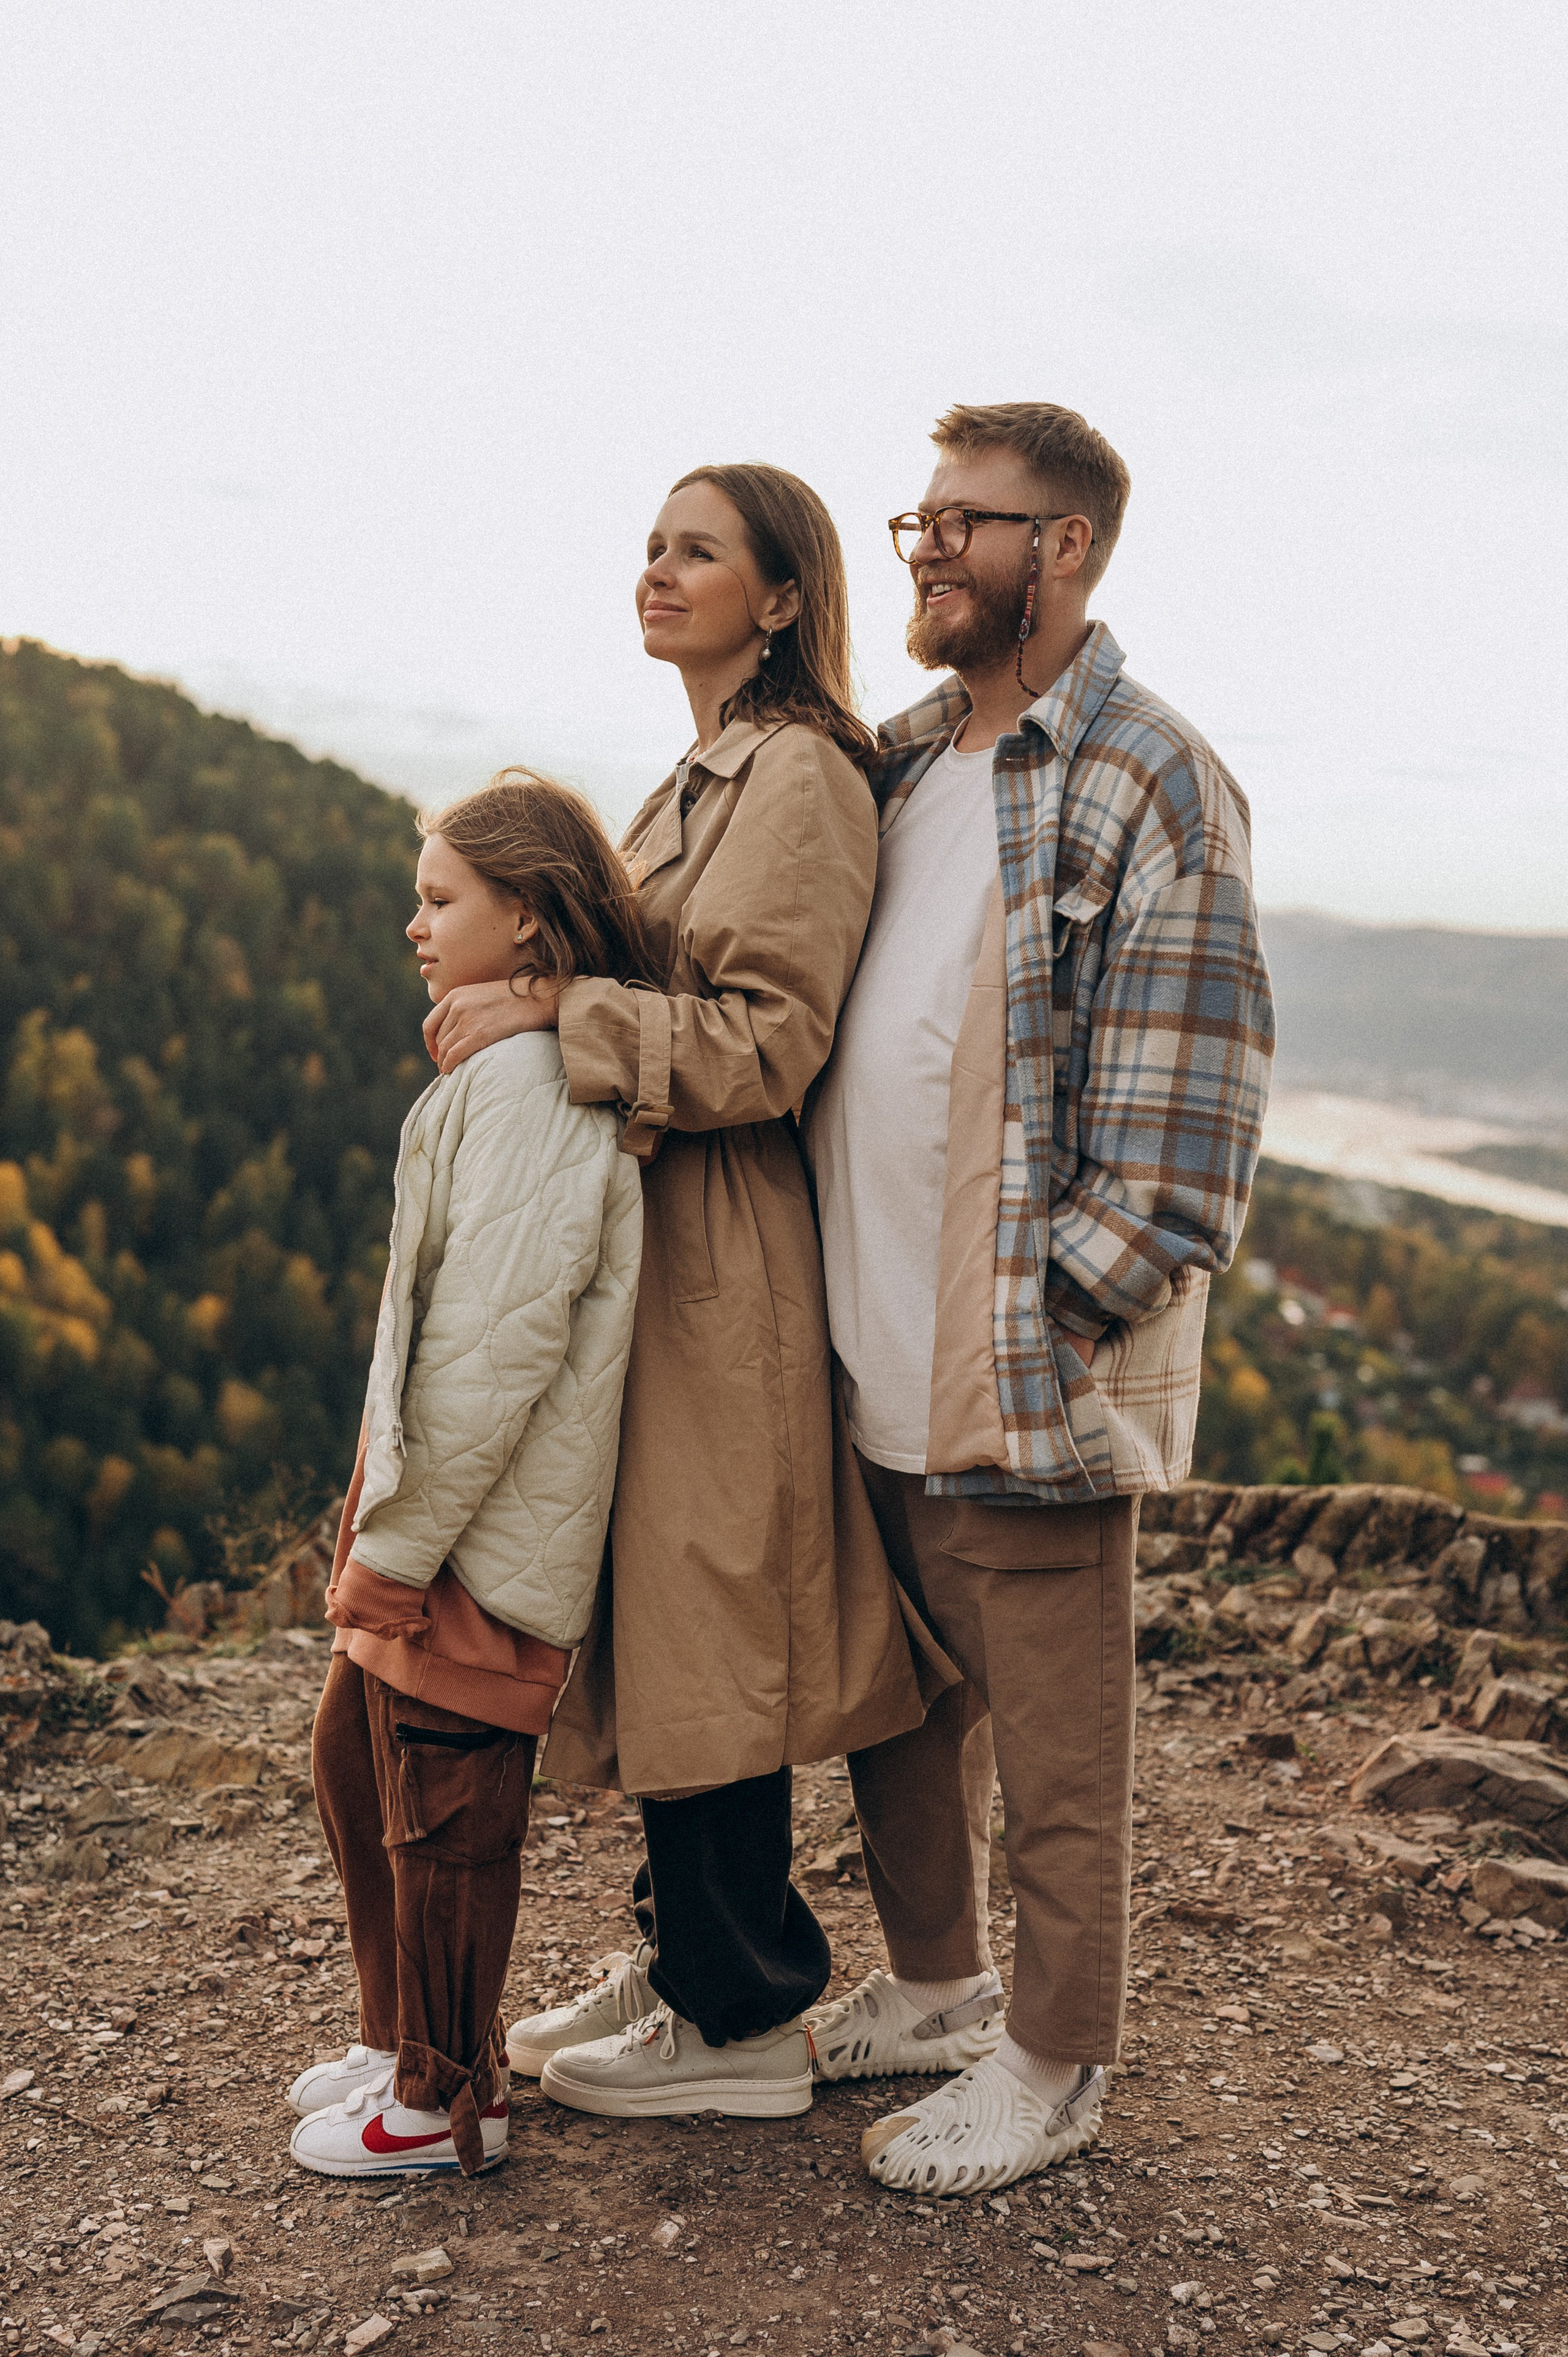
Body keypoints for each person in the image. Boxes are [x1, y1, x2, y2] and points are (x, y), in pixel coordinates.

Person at [804, 402, 1275, 2193]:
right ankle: (935, 1989)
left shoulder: (1152, 774)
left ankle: (1057, 2059)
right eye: (916, 517)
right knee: (904, 1712)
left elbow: (1187, 1143)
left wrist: (1050, 1329)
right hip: (867, 1343)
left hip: (1015, 1366)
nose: (921, 548)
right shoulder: (908, 761)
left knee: (1060, 1761)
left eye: (963, 523)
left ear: (1062, 548)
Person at [422, 464, 930, 2121]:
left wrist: (558, 1019)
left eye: (698, 551)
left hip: (730, 1259)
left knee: (713, 1619)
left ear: (784, 597)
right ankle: (688, 1962)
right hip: (663, 1251)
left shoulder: (800, 777)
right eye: (652, 544)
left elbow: (775, 1044)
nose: (657, 569)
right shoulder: (694, 775)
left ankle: (744, 2019)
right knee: (663, 1613)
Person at [287, 772, 646, 2177]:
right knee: (351, 1753)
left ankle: (446, 2103)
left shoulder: (538, 1091)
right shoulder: (494, 1076)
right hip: (434, 1513)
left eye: (441, 901)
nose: (413, 925)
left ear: (533, 923)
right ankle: (397, 2041)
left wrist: (405, 1539)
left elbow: (495, 1348)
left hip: (484, 1536)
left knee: (443, 1799)